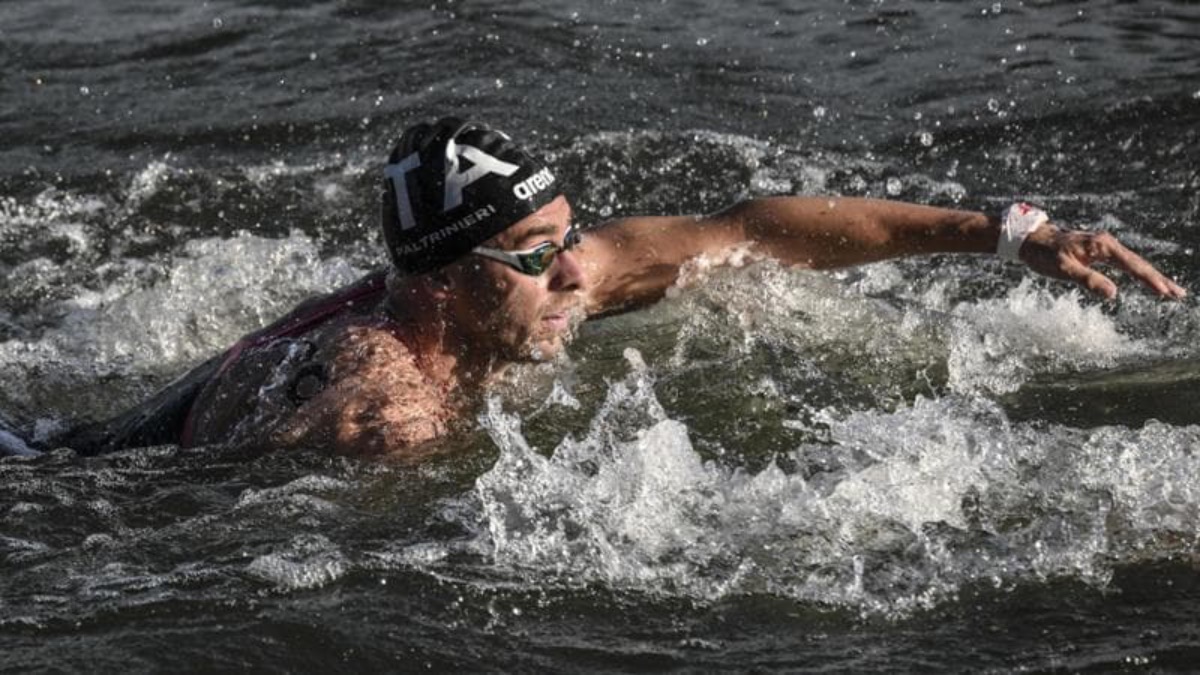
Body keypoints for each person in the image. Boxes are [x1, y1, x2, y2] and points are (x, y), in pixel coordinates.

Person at [8, 117, 1187, 460]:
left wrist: (1010, 233)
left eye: (570, 236)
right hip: (69, 468)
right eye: (532, 253)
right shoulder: (385, 394)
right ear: (434, 285)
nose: (576, 272)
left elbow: (755, 229)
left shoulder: (550, 279)